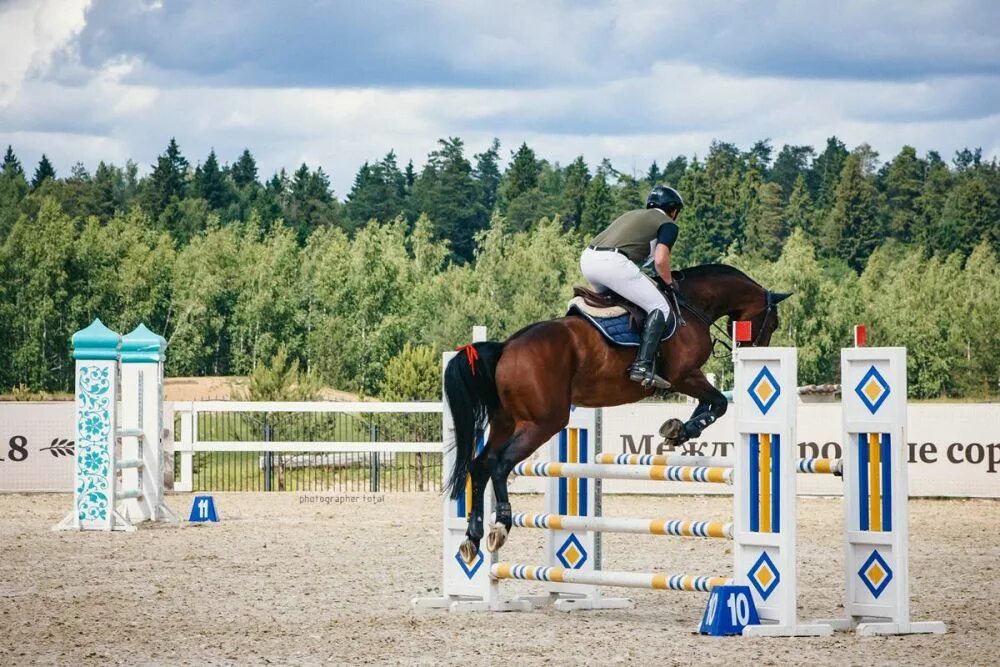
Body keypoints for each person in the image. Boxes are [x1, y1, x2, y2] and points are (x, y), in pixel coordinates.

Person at [580, 184, 683, 385]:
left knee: (616, 303)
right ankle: (642, 365)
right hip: (613, 264)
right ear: (673, 210)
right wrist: (669, 284)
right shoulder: (668, 223)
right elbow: (661, 260)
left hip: (588, 260)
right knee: (660, 307)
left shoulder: (633, 215)